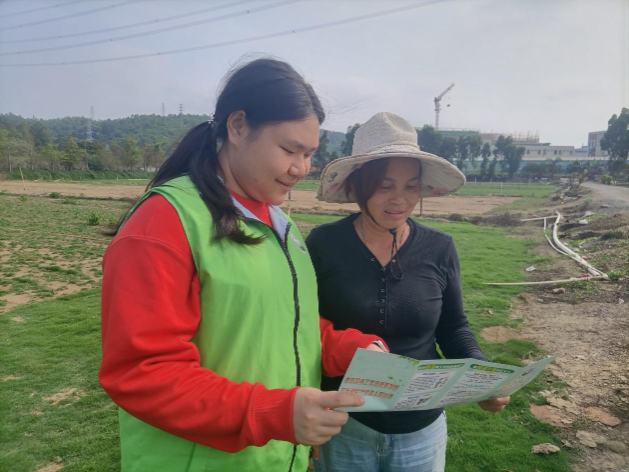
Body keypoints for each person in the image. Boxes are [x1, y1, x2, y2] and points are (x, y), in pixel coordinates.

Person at [99, 58, 388, 472]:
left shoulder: (281, 225)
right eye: (289, 150)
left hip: (273, 457)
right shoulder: (164, 223)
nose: (301, 169)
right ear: (237, 127)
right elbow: (143, 372)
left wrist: (352, 350)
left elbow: (288, 325)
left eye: (309, 154)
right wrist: (277, 413)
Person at [305, 112, 510, 472]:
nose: (399, 200)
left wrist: (482, 376)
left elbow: (453, 327)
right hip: (343, 424)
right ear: (358, 186)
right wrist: (308, 414)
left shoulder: (440, 247)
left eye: (411, 186)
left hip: (421, 428)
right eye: (385, 186)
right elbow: (304, 331)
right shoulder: (324, 244)